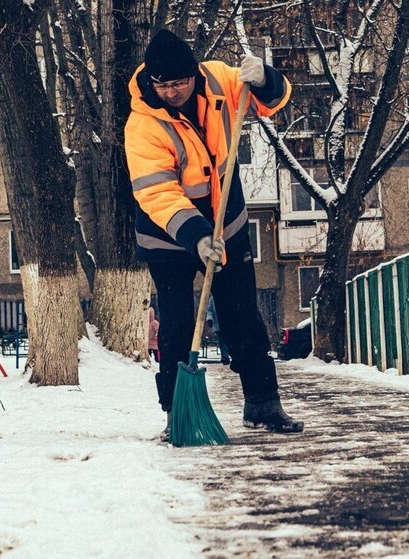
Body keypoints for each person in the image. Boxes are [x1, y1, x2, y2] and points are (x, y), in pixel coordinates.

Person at [124, 29, 303, 438]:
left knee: (243, 314)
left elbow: (272, 103)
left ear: (194, 73)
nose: (172, 92)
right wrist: (197, 235)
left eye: (180, 83)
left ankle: (263, 403)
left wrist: (266, 79)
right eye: (163, 85)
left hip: (228, 221)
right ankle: (177, 412)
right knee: (176, 324)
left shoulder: (221, 79)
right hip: (168, 235)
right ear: (152, 81)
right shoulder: (142, 125)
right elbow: (156, 191)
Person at [205, 296, 230, 365]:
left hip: (228, 323)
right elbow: (210, 310)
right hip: (218, 324)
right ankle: (225, 356)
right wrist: (210, 319)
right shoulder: (213, 298)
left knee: (226, 340)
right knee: (221, 341)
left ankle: (226, 356)